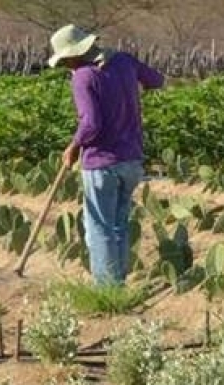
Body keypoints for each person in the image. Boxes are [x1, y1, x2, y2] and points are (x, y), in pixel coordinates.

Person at [48, 24, 165, 286]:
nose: (66, 66)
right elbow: (157, 80)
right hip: (132, 160)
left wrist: (73, 147)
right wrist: (126, 90)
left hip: (101, 162)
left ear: (75, 54)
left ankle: (105, 289)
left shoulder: (83, 76)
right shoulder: (123, 60)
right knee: (119, 225)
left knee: (99, 228)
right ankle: (118, 283)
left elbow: (91, 123)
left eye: (66, 60)